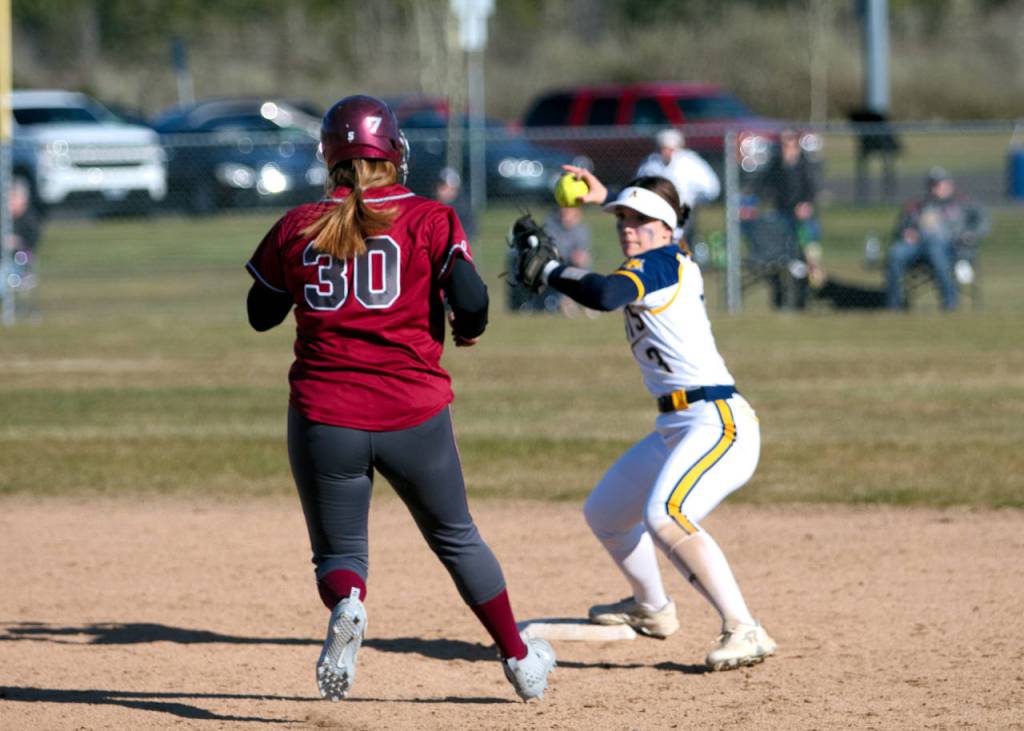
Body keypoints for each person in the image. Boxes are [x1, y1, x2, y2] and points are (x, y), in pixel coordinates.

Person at [245, 95, 555, 702]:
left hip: (324, 413)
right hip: (413, 412)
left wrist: (306, 279)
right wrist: (465, 331)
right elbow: (472, 302)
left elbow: (259, 313)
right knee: (457, 537)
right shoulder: (431, 219)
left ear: (329, 155)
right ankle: (520, 659)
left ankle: (350, 605)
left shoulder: (297, 224)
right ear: (393, 152)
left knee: (338, 554)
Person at [529, 163, 777, 671]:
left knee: (665, 515)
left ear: (666, 230)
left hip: (718, 421)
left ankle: (744, 627)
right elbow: (639, 229)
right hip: (676, 425)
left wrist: (550, 271)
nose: (626, 227)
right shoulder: (660, 253)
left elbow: (602, 295)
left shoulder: (664, 262)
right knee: (606, 513)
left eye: (638, 220)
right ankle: (651, 609)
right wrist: (607, 197)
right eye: (621, 218)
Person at [886, 167, 988, 311]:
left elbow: (982, 222)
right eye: (933, 185)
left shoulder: (962, 203)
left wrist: (969, 235)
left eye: (940, 184)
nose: (937, 188)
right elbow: (901, 227)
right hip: (917, 246)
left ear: (949, 184)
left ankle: (950, 303)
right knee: (896, 253)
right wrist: (906, 232)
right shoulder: (917, 205)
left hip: (949, 247)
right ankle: (894, 305)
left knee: (936, 251)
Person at [755, 128, 823, 304]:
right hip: (782, 214)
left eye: (791, 142)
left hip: (802, 216)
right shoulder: (776, 164)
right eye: (784, 143)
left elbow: (812, 188)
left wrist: (805, 205)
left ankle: (812, 274)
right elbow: (763, 187)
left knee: (808, 243)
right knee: (779, 250)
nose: (788, 147)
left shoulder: (805, 164)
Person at [635, 128, 720, 245]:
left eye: (670, 149)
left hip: (683, 210)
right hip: (657, 211)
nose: (666, 152)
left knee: (679, 240)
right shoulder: (651, 164)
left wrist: (693, 200)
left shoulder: (690, 162)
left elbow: (711, 188)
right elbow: (638, 186)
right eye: (663, 148)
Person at [542, 205, 594, 317]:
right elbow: (551, 250)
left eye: (569, 211)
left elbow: (583, 248)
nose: (565, 214)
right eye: (563, 210)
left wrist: (579, 256)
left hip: (575, 264)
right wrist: (569, 256)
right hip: (556, 263)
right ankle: (565, 301)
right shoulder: (550, 227)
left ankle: (587, 300)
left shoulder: (581, 229)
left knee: (584, 263)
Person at [433, 166, 476, 241]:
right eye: (444, 187)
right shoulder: (428, 207)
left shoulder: (462, 210)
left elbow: (469, 231)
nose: (448, 191)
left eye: (452, 189)